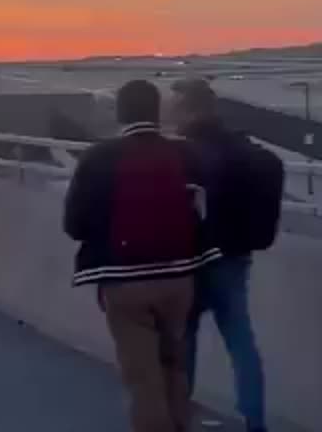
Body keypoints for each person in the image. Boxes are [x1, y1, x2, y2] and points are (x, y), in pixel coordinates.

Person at [65, 80, 221, 432]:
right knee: (175, 369)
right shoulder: (186, 154)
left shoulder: (99, 158)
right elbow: (202, 211)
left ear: (120, 112)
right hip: (180, 278)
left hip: (125, 282)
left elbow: (74, 225)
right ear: (157, 111)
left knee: (143, 380)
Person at [170, 78, 283, 432]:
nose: (171, 112)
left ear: (189, 108)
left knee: (184, 340)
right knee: (241, 342)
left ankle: (179, 417)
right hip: (235, 257)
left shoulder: (184, 150)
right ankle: (255, 421)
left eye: (176, 105)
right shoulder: (241, 147)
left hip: (194, 259)